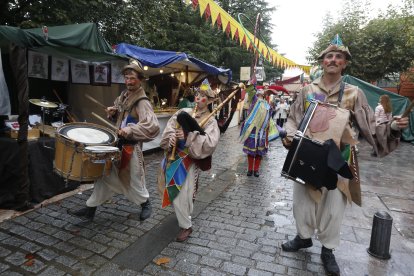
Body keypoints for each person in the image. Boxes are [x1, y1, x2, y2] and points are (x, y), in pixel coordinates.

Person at [281, 35, 409, 276]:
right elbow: (293, 118)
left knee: (333, 207)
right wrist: (289, 135)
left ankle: (328, 250)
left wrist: (391, 128)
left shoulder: (354, 93)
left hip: (338, 157)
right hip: (307, 155)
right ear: (322, 61)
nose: (333, 59)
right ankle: (303, 237)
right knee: (303, 201)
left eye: (338, 57)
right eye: (329, 56)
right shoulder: (307, 89)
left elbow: (369, 125)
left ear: (344, 63)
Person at [69, 63, 160, 221]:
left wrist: (131, 130)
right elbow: (120, 115)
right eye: (126, 78)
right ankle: (90, 209)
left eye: (132, 78)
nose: (129, 81)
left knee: (135, 179)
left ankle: (146, 204)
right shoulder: (124, 95)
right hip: (117, 146)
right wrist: (113, 113)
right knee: (103, 176)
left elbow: (152, 126)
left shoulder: (142, 101)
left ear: (140, 80)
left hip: (130, 149)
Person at [159, 80, 220, 242]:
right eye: (198, 94)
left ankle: (186, 225)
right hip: (173, 157)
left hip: (189, 160)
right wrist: (171, 136)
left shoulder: (211, 120)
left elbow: (210, 143)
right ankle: (184, 214)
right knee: (175, 191)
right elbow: (170, 127)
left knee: (183, 194)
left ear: (211, 101)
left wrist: (188, 137)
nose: (199, 98)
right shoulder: (183, 111)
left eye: (203, 96)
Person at [239, 88, 271, 177]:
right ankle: (250, 169)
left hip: (261, 133)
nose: (260, 95)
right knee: (251, 152)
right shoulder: (254, 102)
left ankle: (256, 170)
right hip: (252, 131)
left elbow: (269, 117)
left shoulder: (267, 105)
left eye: (262, 94)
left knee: (259, 152)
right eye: (258, 94)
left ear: (264, 95)